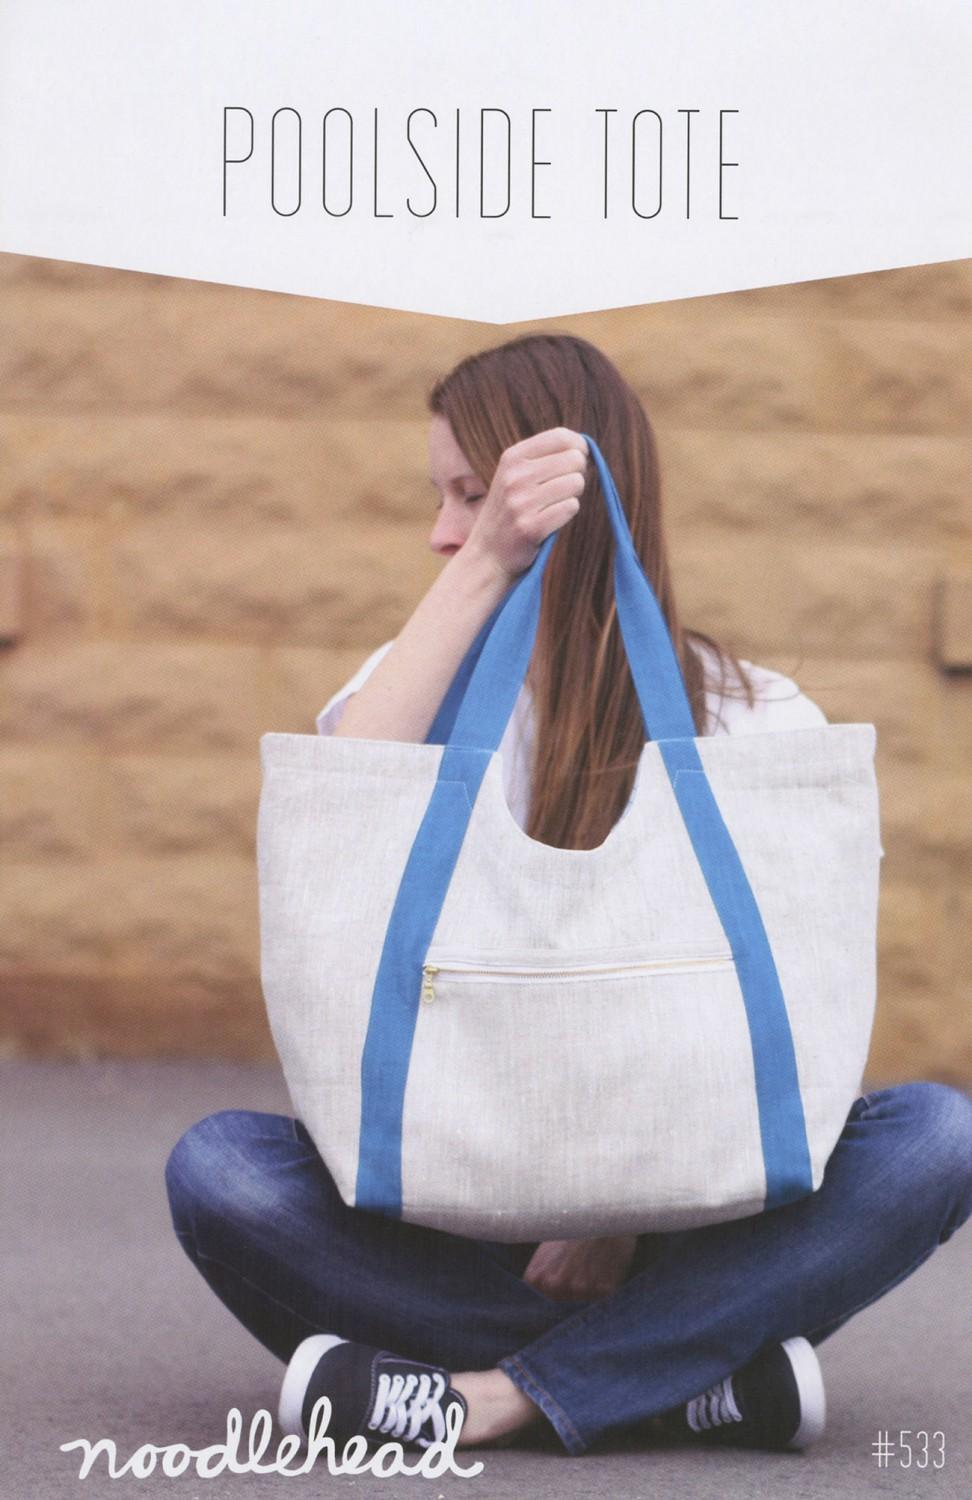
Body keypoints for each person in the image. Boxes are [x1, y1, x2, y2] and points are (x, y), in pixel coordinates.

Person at [165, 334, 972, 1461]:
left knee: (938, 1138)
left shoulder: (749, 715)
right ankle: (686, 1380)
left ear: (566, 501)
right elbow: (336, 806)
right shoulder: (419, 689)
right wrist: (486, 561)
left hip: (687, 1219)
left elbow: (788, 993)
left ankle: (486, 1399)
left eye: (468, 495)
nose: (441, 532)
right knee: (220, 1172)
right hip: (449, 1208)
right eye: (446, 501)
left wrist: (621, 1214)